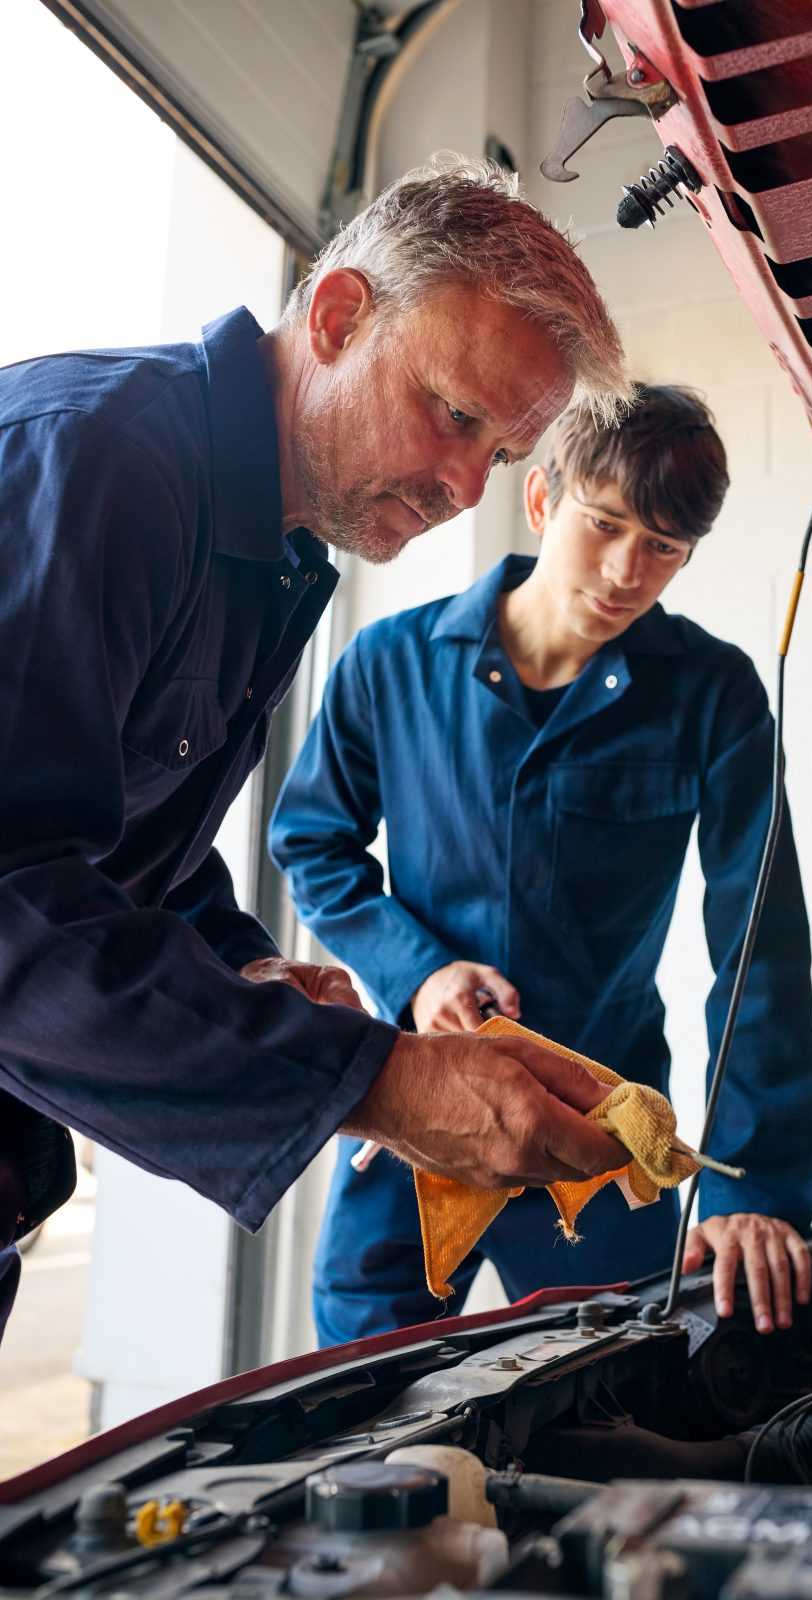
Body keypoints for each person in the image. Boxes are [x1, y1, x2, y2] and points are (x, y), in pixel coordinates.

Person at [0, 157, 633, 1344]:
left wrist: (243, 969)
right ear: (339, 316)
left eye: (497, 456)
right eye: (452, 414)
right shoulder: (94, 462)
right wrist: (378, 1084)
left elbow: (130, 854)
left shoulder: (274, 561)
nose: (460, 486)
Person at [270, 385, 812, 1348]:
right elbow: (312, 844)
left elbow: (758, 940)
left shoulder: (714, 693)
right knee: (361, 1414)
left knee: (628, 1400)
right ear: (540, 499)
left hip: (602, 1136)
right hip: (415, 1109)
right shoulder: (386, 665)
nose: (623, 571)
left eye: (662, 547)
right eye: (603, 524)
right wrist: (418, 970)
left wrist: (756, 1179)